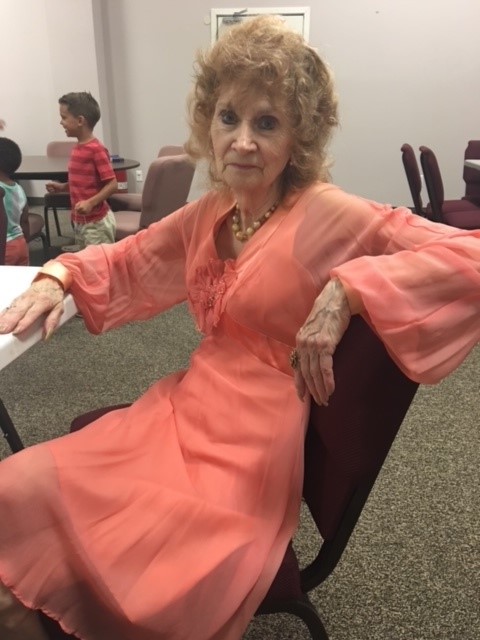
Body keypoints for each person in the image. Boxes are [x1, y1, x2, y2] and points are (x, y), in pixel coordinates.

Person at [0, 15, 479, 640]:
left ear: (299, 135)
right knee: (19, 490)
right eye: (229, 118)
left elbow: (470, 254)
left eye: (268, 123)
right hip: (184, 406)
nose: (243, 142)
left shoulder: (328, 212)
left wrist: (349, 289)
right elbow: (130, 257)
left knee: (132, 580)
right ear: (209, 123)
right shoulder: (215, 208)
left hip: (250, 445)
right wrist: (58, 275)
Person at [45, 92, 117, 251]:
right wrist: (63, 187)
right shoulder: (78, 148)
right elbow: (83, 182)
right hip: (81, 220)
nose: (61, 122)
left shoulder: (96, 149)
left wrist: (90, 202)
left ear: (80, 121)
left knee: (98, 262)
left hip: (96, 223)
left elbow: (112, 184)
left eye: (64, 117)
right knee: (85, 259)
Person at [0, 137, 30, 265]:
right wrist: (26, 241)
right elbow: (24, 220)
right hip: (20, 242)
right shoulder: (18, 188)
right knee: (21, 276)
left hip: (4, 247)